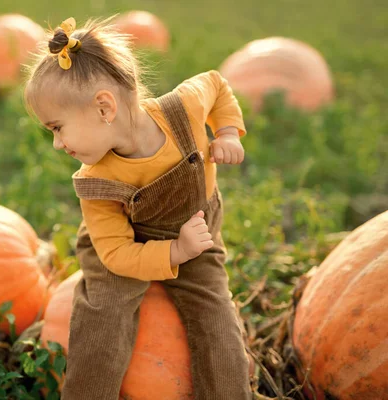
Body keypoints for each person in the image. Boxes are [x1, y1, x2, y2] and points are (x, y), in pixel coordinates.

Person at [24, 16, 252, 400]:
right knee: (102, 315)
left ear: (103, 107)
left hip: (196, 235)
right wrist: (173, 251)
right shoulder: (95, 182)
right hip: (125, 247)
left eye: (57, 128)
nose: (57, 144)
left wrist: (227, 130)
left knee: (217, 321)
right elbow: (114, 253)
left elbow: (216, 84)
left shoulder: (184, 109)